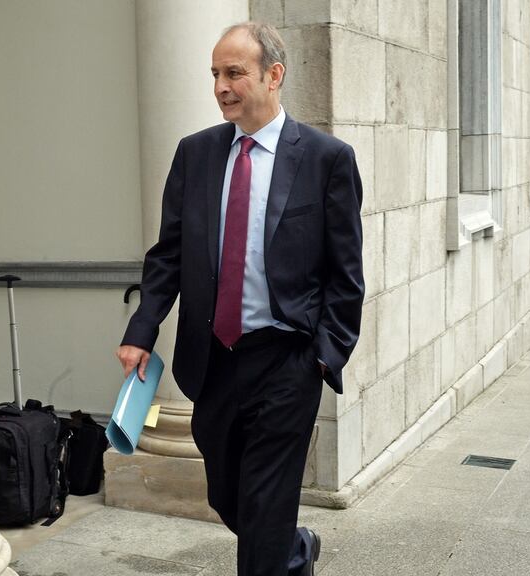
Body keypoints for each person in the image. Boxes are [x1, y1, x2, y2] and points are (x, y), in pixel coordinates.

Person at [117, 21, 364, 576]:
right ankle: (295, 550)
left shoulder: (326, 159)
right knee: (231, 498)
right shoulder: (196, 154)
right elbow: (169, 254)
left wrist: (325, 354)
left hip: (287, 359)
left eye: (235, 73)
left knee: (265, 511)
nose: (222, 86)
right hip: (214, 359)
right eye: (215, 74)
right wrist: (142, 332)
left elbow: (346, 272)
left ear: (273, 75)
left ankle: (278, 549)